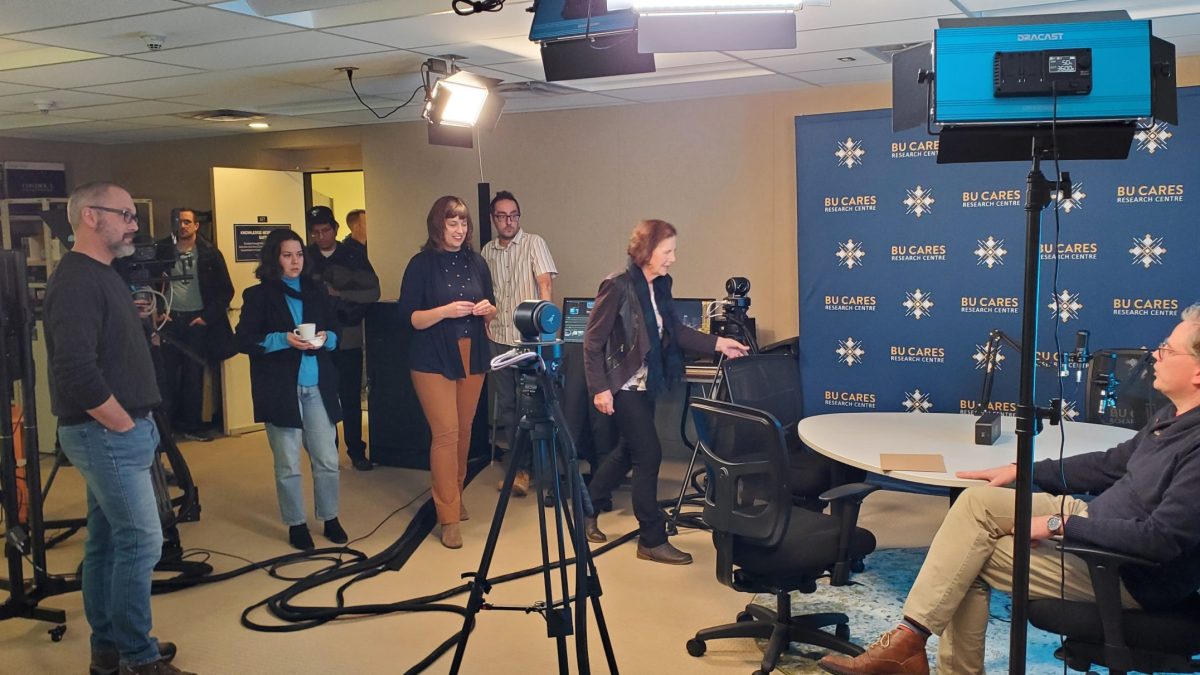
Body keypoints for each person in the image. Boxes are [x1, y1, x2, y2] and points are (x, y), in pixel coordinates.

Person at [817, 305, 1200, 675]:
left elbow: (1160, 539)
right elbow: (1109, 464)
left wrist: (1058, 524)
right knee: (976, 502)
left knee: (969, 560)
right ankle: (907, 642)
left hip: (1129, 573)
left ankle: (916, 654)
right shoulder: (1172, 417)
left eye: (1167, 349)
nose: (1154, 355)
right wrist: (1021, 470)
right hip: (1100, 522)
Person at [45, 182, 193, 675]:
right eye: (125, 215)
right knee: (141, 541)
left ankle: (108, 650)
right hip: (108, 434)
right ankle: (138, 657)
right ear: (91, 216)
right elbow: (75, 371)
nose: (134, 224)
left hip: (123, 431)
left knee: (107, 543)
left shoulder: (103, 275)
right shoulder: (77, 281)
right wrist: (124, 423)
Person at [582, 219, 748, 565]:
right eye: (667, 251)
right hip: (623, 383)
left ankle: (586, 506)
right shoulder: (617, 286)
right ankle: (651, 539)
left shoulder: (660, 284)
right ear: (647, 251)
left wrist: (720, 343)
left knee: (629, 451)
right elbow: (593, 342)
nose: (673, 258)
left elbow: (675, 331)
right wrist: (600, 389)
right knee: (649, 454)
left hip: (648, 381)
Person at [235, 228, 348, 552]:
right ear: (275, 258)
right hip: (280, 388)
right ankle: (296, 523)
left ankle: (330, 517)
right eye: (287, 255)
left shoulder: (317, 291)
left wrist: (328, 339)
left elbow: (336, 332)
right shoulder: (257, 296)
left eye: (299, 254)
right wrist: (282, 339)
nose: (295, 261)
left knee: (326, 458)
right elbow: (243, 340)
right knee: (287, 463)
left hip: (317, 385)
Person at [397, 195, 496, 549]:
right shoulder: (421, 264)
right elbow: (408, 317)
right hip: (432, 356)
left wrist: (488, 310)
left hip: (472, 352)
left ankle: (454, 492)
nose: (459, 229)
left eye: (464, 222)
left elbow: (491, 307)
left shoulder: (477, 262)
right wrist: (444, 311)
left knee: (465, 430)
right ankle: (448, 515)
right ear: (438, 225)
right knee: (446, 433)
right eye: (452, 222)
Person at [479, 190, 557, 496]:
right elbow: (486, 291)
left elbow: (545, 284)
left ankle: (535, 470)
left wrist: (544, 327)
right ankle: (519, 470)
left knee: (531, 405)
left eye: (513, 215)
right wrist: (486, 320)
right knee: (509, 407)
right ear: (493, 219)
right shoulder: (487, 251)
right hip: (498, 337)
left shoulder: (534, 243)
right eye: (502, 216)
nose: (509, 221)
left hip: (529, 340)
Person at [306, 206, 380, 471]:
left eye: (325, 230)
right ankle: (328, 452)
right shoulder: (305, 257)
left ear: (335, 229)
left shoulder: (353, 254)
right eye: (315, 232)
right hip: (315, 337)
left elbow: (373, 290)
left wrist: (341, 296)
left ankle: (356, 451)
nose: (321, 236)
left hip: (347, 333)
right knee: (322, 397)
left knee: (349, 396)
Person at [158, 207, 234, 442]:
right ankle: (166, 427)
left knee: (193, 376)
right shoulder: (161, 250)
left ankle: (191, 425)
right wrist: (158, 312)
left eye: (187, 222)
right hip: (169, 321)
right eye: (179, 221)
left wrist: (206, 317)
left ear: (196, 225)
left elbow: (226, 290)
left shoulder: (210, 252)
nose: (183, 226)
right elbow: (146, 283)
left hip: (196, 321)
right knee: (166, 376)